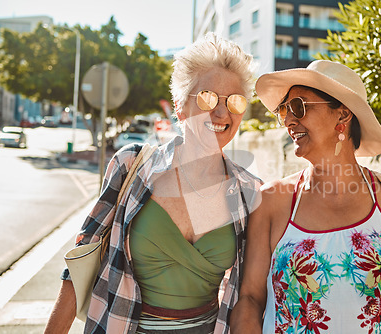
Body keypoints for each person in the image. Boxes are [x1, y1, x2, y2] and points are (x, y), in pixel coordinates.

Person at [230, 60, 381, 333]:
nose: (289, 120)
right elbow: (251, 300)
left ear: (343, 115)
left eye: (299, 107)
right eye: (284, 110)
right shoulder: (271, 201)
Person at [45, 32, 262, 334]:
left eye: (235, 101)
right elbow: (81, 261)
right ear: (179, 106)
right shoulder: (131, 165)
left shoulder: (249, 190)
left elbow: (253, 295)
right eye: (207, 97)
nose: (222, 112)